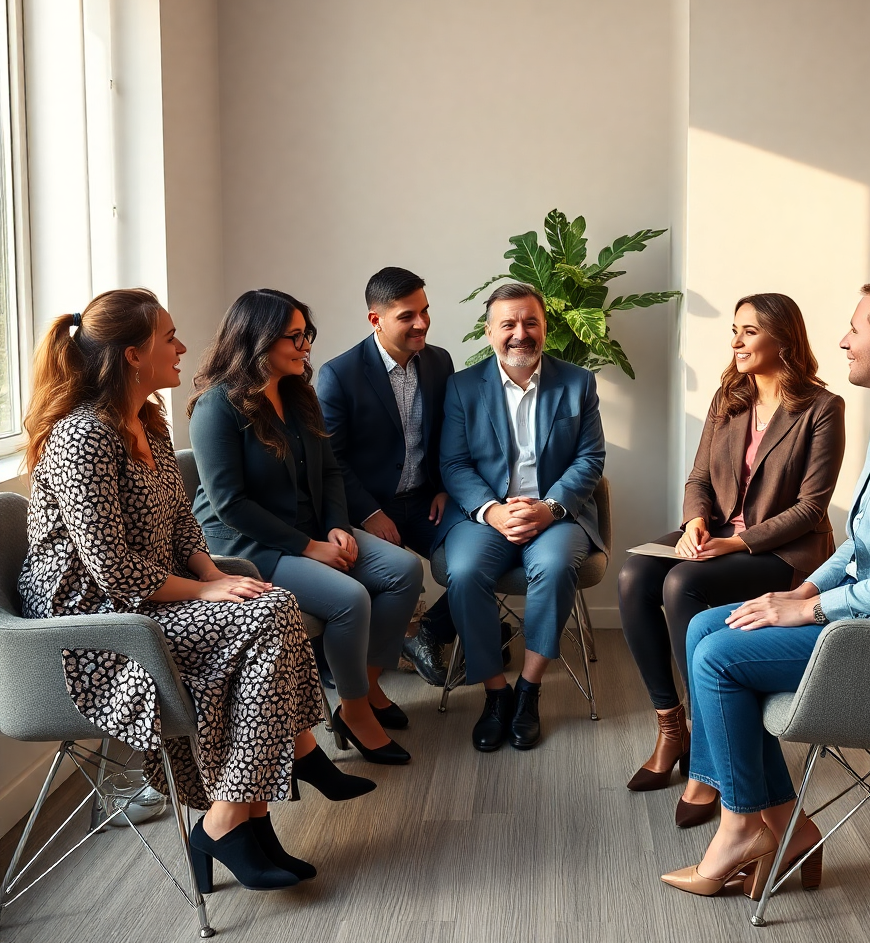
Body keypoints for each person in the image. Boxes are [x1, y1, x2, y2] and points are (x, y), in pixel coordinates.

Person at [18, 289, 372, 895]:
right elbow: (113, 572)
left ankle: (254, 818)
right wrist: (206, 595)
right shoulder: (85, 439)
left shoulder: (146, 425)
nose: (183, 347)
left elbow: (183, 526)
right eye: (170, 338)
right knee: (262, 619)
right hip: (93, 623)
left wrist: (213, 575)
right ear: (133, 355)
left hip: (145, 599)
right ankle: (235, 813)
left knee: (271, 601)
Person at [661, 282, 870, 901]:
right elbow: (866, 544)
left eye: (854, 328)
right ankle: (784, 832)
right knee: (704, 626)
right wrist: (805, 589)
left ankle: (744, 827)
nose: (843, 339)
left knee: (718, 658)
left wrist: (812, 607)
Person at [618, 294, 845, 813]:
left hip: (782, 550)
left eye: (749, 332)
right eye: (735, 331)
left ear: (783, 341)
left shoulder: (822, 408)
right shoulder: (730, 397)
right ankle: (669, 725)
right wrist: (697, 521)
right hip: (715, 532)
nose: (736, 342)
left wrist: (737, 541)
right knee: (634, 576)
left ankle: (706, 744)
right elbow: (699, 477)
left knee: (682, 585)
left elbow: (812, 508)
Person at [188, 289, 422, 766]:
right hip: (248, 544)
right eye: (293, 337)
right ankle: (353, 711)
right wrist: (309, 547)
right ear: (256, 341)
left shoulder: (300, 395)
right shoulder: (218, 407)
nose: (305, 346)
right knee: (349, 598)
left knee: (404, 570)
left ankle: (369, 686)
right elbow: (230, 504)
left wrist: (337, 527)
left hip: (315, 529)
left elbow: (331, 470)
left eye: (306, 334)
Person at [436, 282, 606, 752]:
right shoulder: (463, 387)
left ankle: (528, 692)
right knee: (465, 572)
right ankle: (496, 694)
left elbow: (590, 458)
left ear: (545, 328)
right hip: (487, 515)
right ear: (489, 332)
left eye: (530, 322)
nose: (520, 333)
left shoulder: (577, 382)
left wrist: (549, 508)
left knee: (552, 568)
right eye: (508, 323)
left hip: (556, 514)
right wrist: (492, 512)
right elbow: (454, 464)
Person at [316, 267, 458, 686]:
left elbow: (450, 434)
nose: (422, 323)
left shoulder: (439, 361)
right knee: (392, 574)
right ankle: (360, 666)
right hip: (370, 508)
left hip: (427, 502)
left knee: (485, 553)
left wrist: (446, 488)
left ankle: (429, 633)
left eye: (426, 311)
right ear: (375, 320)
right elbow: (332, 459)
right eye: (407, 315)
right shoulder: (339, 374)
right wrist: (370, 512)